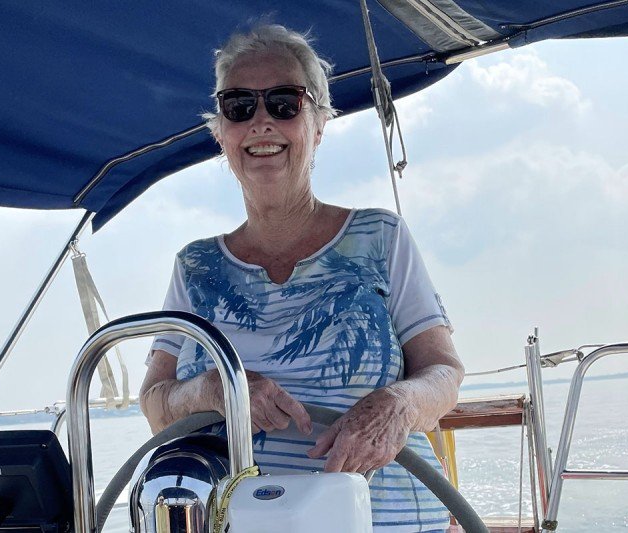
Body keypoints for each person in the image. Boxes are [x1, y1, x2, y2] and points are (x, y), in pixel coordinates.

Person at [140, 24, 464, 532]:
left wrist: (397, 404)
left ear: (318, 123)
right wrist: (211, 389)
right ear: (221, 132)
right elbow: (156, 405)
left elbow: (444, 374)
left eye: (285, 103)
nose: (261, 122)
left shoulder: (380, 237)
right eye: (239, 106)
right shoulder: (194, 267)